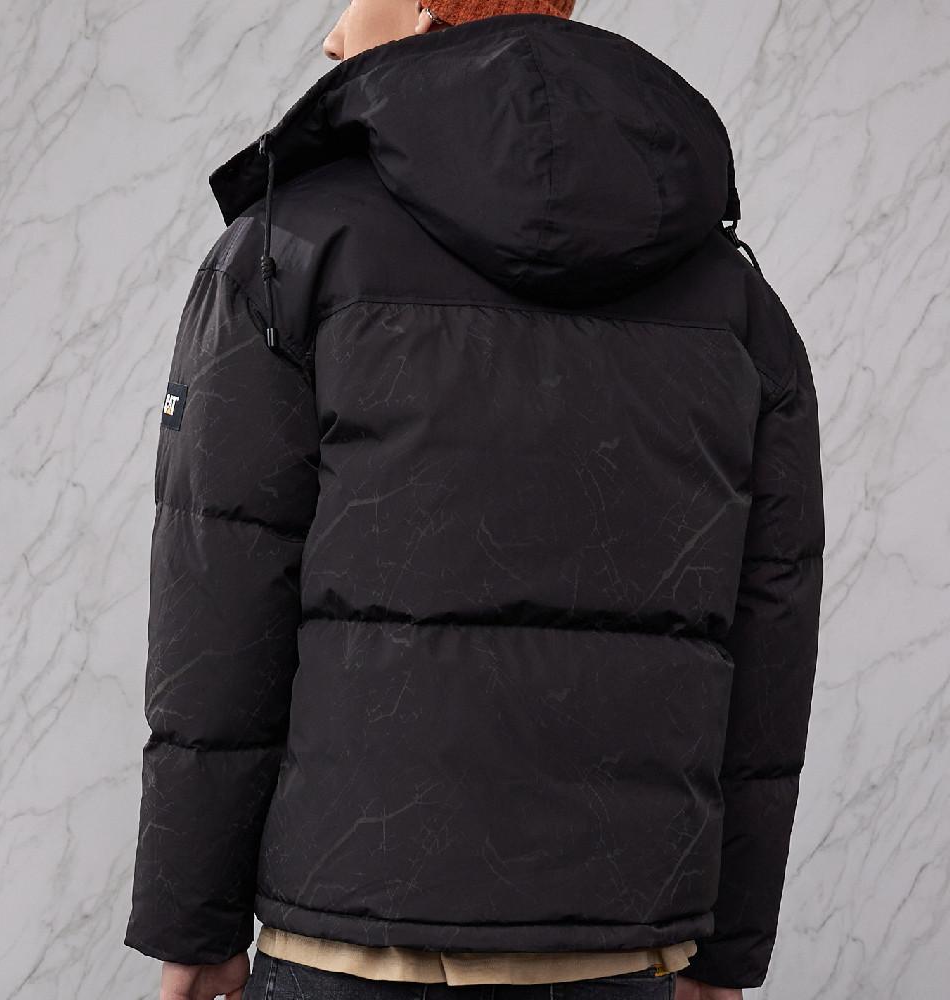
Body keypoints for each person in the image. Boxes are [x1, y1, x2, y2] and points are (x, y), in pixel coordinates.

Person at [123, 1, 826, 999]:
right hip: (619, 944)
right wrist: (728, 951)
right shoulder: (735, 300)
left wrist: (192, 927)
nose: (332, 34)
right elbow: (768, 633)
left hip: (350, 937)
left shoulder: (290, 253)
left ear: (423, 6)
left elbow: (219, 609)